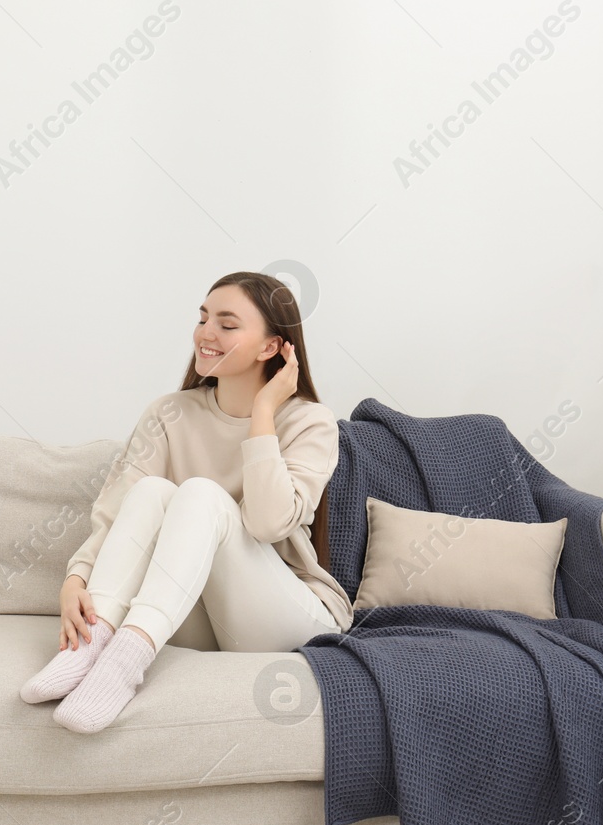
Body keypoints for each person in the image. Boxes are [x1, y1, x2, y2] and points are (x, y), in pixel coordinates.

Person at [21, 271, 354, 734]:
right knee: (152, 492)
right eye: (203, 318)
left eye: (227, 323)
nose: (206, 333)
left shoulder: (311, 422)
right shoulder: (169, 412)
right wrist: (75, 578)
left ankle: (123, 668)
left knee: (199, 493)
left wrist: (263, 413)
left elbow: (266, 523)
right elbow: (117, 508)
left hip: (284, 618)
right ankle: (89, 647)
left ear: (271, 347)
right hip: (193, 615)